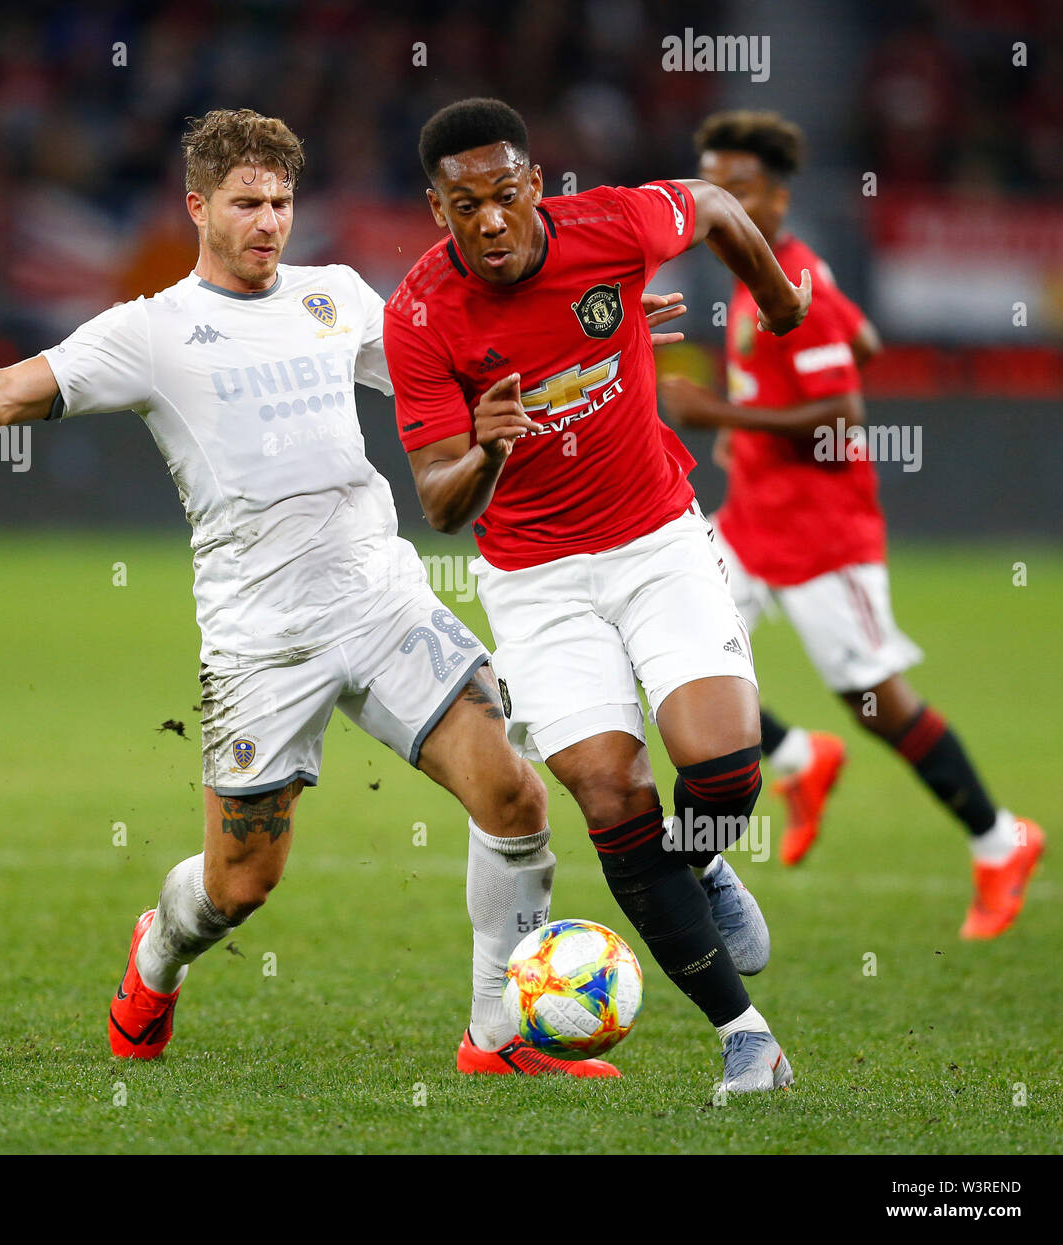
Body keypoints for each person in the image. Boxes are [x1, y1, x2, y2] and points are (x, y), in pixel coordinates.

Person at [0, 108, 626, 1077]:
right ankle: (158, 951)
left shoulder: (337, 297)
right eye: (246, 204)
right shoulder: (151, 334)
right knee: (240, 886)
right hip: (260, 641)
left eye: (281, 202)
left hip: (381, 599)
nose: (268, 222)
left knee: (513, 793)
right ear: (197, 207)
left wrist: (591, 332)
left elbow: (463, 359)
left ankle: (495, 1037)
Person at [384, 97, 813, 1092]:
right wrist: (487, 446)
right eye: (463, 205)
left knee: (723, 772)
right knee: (609, 793)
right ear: (435, 208)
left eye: (502, 195)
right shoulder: (419, 317)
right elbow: (442, 503)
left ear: (534, 184)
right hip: (534, 581)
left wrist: (778, 299)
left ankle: (704, 862)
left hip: (657, 540)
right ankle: (745, 1038)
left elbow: (710, 203)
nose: (487, 220)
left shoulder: (611, 229)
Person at [658, 110, 1043, 939]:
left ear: (779, 195)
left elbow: (843, 413)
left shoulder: (796, 282)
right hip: (753, 521)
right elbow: (861, 337)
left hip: (824, 537)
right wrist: (754, 414)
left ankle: (999, 837)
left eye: (740, 186)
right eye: (710, 181)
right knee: (670, 652)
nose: (719, 197)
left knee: (877, 703)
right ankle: (798, 756)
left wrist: (719, 411)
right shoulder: (752, 270)